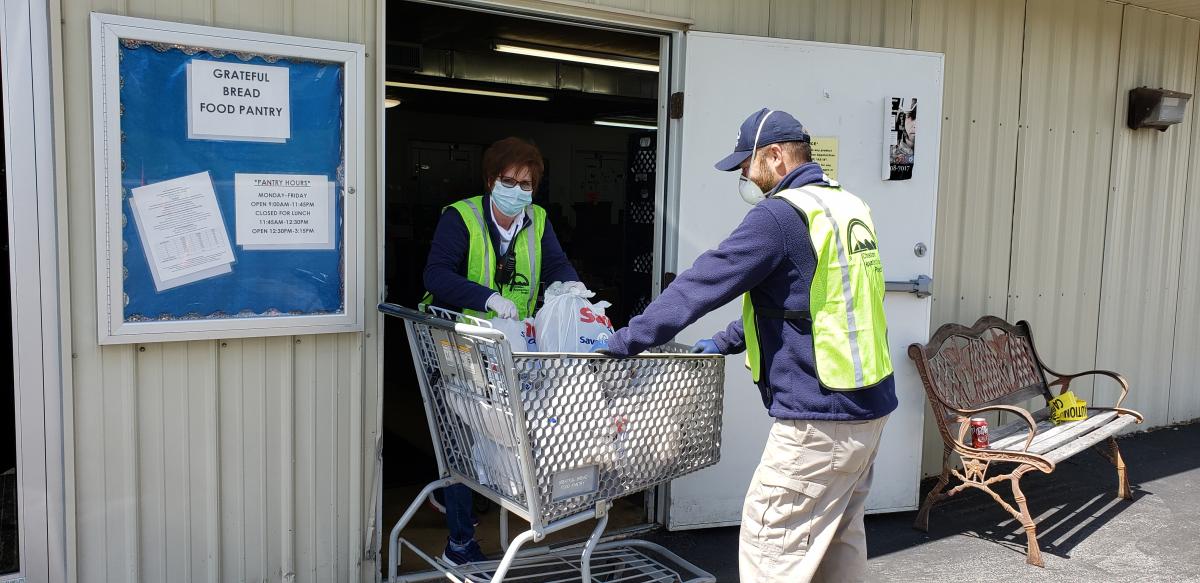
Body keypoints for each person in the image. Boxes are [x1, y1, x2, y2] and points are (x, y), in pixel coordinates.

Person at [594, 108, 896, 582]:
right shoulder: (847, 206)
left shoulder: (780, 214)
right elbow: (810, 302)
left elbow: (703, 282)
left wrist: (626, 341)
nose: (742, 174)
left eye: (745, 162)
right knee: (838, 545)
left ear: (775, 156)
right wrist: (724, 341)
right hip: (869, 411)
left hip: (821, 419)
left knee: (769, 545)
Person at [422, 136, 580, 565]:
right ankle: (459, 542)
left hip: (510, 344)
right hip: (461, 341)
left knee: (505, 430)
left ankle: (498, 498)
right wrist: (487, 297)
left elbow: (555, 265)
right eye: (509, 181)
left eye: (526, 184)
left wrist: (572, 287)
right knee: (462, 435)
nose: (518, 191)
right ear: (491, 181)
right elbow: (436, 274)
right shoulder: (463, 217)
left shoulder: (538, 219)